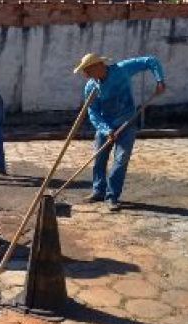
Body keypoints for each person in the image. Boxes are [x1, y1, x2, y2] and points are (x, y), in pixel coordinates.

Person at [74, 53, 166, 211]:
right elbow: (93, 113)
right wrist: (107, 130)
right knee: (99, 158)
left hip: (127, 121)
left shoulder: (122, 70)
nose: (86, 74)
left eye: (88, 70)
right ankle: (98, 191)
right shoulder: (91, 86)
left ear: (99, 66)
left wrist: (160, 80)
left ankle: (112, 196)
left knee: (121, 159)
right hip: (105, 124)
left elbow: (150, 61)